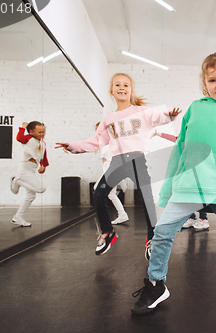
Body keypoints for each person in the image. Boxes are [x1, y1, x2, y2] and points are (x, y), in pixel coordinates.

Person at [131, 52, 216, 315]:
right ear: (205, 83)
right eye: (212, 80)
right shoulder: (194, 108)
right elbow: (179, 150)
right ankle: (156, 283)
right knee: (162, 233)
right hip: (188, 184)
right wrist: (167, 191)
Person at [56, 73, 181, 257]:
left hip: (137, 160)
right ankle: (107, 233)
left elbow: (159, 117)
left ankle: (151, 239)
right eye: (117, 85)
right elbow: (96, 141)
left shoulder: (141, 111)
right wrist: (74, 146)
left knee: (147, 201)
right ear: (112, 91)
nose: (122, 87)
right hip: (117, 162)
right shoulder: (108, 119)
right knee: (99, 193)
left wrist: (170, 114)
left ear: (131, 91)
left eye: (126, 85)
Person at [150, 129, 210, 231]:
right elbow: (174, 138)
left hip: (199, 174)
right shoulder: (184, 140)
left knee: (200, 197)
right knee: (189, 197)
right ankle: (191, 218)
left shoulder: (200, 142)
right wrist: (158, 133)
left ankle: (203, 219)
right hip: (187, 174)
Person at [10, 121, 49, 227]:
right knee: (41, 188)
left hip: (31, 169)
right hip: (24, 169)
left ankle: (17, 217)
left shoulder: (42, 143)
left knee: (31, 196)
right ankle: (17, 181)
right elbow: (19, 138)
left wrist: (43, 165)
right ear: (31, 132)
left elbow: (43, 155)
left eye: (44, 132)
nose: (43, 134)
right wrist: (22, 128)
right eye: (40, 132)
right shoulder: (28, 138)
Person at [94, 122, 129, 225]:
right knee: (110, 194)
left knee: (99, 190)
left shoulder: (112, 142)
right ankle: (122, 214)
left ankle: (121, 214)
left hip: (110, 170)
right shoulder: (101, 143)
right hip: (107, 170)